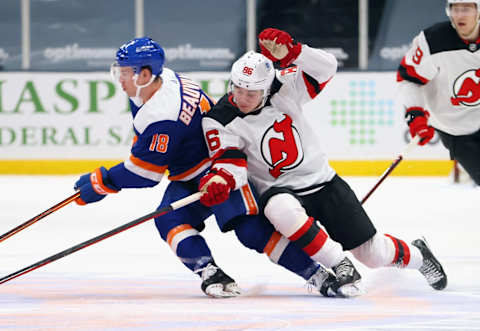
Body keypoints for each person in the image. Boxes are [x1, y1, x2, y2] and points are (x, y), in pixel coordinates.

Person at [73, 36, 346, 298]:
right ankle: (210, 273)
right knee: (168, 219)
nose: (119, 78)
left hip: (222, 169)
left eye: (124, 72)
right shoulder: (165, 78)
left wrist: (103, 182)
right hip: (188, 175)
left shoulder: (162, 116)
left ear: (144, 75)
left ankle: (317, 275)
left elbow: (145, 174)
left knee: (251, 231)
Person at [199, 28, 448, 292]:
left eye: (251, 93)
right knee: (278, 208)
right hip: (280, 190)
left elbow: (327, 67)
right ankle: (341, 264)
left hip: (324, 183)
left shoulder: (284, 88)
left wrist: (296, 52)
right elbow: (230, 163)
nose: (242, 98)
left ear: (267, 89)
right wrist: (220, 179)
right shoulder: (219, 118)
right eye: (237, 89)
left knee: (373, 254)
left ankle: (420, 256)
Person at [397, 0, 480, 185]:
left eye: (466, 9)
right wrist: (415, 113)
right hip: (455, 129)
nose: (459, 15)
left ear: (479, 12)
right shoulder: (432, 40)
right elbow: (409, 78)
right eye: (454, 9)